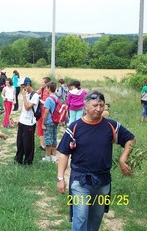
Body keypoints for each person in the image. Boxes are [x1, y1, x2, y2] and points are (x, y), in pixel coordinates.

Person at [57, 91, 135, 231]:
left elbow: (130, 139)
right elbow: (63, 153)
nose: (99, 109)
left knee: (96, 218)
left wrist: (123, 158)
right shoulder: (75, 127)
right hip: (80, 181)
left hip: (103, 181)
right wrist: (60, 178)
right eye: (95, 105)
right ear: (85, 107)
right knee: (80, 217)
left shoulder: (111, 126)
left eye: (101, 105)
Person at [14, 77, 39, 165]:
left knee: (28, 143)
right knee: (20, 142)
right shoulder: (26, 93)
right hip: (22, 121)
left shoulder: (35, 95)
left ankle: (28, 162)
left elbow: (27, 107)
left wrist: (24, 96)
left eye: (23, 86)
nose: (22, 88)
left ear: (28, 85)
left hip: (30, 123)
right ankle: (18, 160)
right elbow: (23, 109)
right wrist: (19, 119)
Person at [41, 81, 59, 162]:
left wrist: (43, 123)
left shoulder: (48, 99)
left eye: (46, 88)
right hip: (55, 121)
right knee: (54, 139)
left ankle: (48, 157)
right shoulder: (56, 98)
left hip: (49, 121)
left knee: (48, 140)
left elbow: (46, 111)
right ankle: (54, 157)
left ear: (49, 88)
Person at [37, 77, 51, 151]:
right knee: (40, 128)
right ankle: (42, 145)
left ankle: (48, 145)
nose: (41, 83)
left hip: (47, 112)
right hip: (41, 112)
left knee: (47, 128)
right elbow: (36, 93)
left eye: (43, 82)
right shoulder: (41, 89)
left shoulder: (49, 92)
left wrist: (39, 100)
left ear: (46, 84)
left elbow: (47, 103)